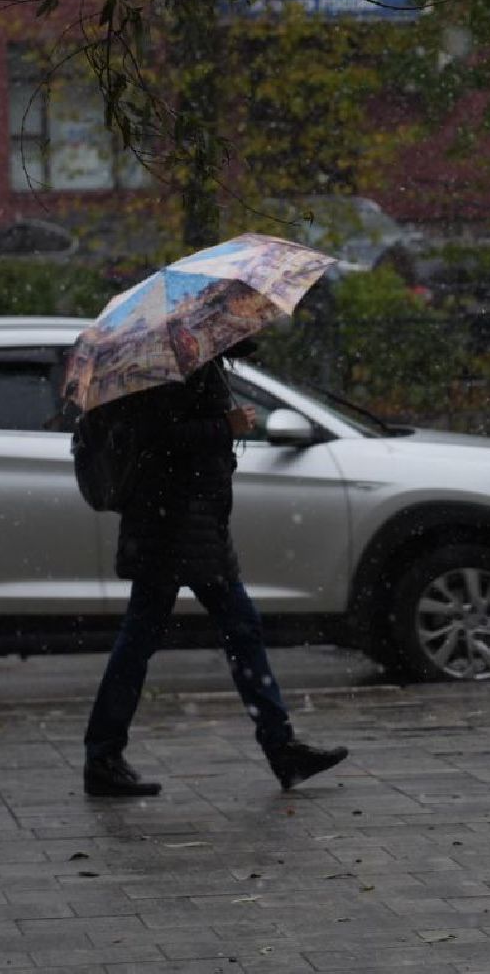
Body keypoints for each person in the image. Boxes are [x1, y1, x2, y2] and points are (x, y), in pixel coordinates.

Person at [82, 338, 349, 797]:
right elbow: (153, 438)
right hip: (173, 522)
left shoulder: (196, 362)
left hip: (191, 521)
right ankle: (105, 755)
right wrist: (223, 425)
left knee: (172, 633)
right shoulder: (163, 368)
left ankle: (105, 754)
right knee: (215, 629)